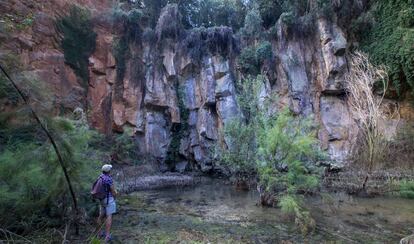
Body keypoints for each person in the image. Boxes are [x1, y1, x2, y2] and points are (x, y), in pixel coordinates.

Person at [96, 164, 117, 242]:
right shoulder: (109, 179)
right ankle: (107, 236)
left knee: (100, 216)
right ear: (109, 171)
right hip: (109, 199)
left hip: (101, 200)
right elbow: (113, 191)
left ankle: (99, 234)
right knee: (109, 216)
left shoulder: (100, 177)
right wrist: (115, 196)